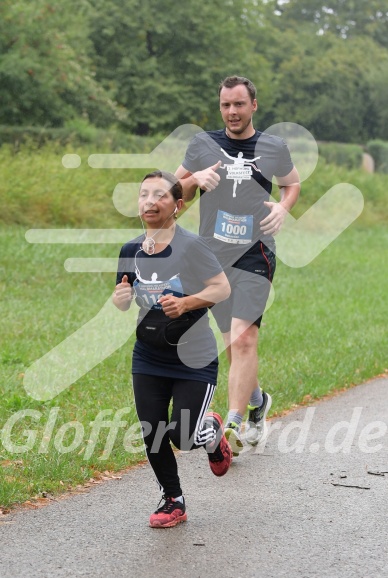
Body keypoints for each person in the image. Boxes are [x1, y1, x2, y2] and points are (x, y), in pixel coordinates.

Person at [175, 76, 300, 455]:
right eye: (226, 105)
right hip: (211, 257)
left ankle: (231, 423)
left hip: (255, 252)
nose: (232, 112)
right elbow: (173, 191)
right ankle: (258, 402)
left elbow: (291, 184)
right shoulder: (202, 144)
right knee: (233, 341)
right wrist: (194, 179)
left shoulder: (274, 147)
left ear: (253, 106)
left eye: (239, 104)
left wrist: (282, 207)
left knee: (245, 338)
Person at [113, 170, 232, 528]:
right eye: (144, 194)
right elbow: (124, 297)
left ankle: (209, 432)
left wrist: (188, 302)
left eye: (160, 195)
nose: (150, 201)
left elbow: (222, 288)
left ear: (177, 206)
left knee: (182, 435)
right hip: (148, 354)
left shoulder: (192, 247)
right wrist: (120, 299)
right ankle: (173, 499)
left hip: (193, 358)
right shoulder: (130, 250)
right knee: (152, 430)